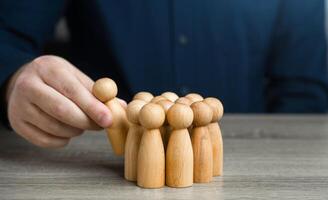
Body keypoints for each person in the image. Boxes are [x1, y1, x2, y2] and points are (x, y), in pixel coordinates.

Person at [0, 0, 327, 148]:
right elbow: (7, 36)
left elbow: (304, 89)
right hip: (98, 158)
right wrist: (12, 79)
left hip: (249, 161)